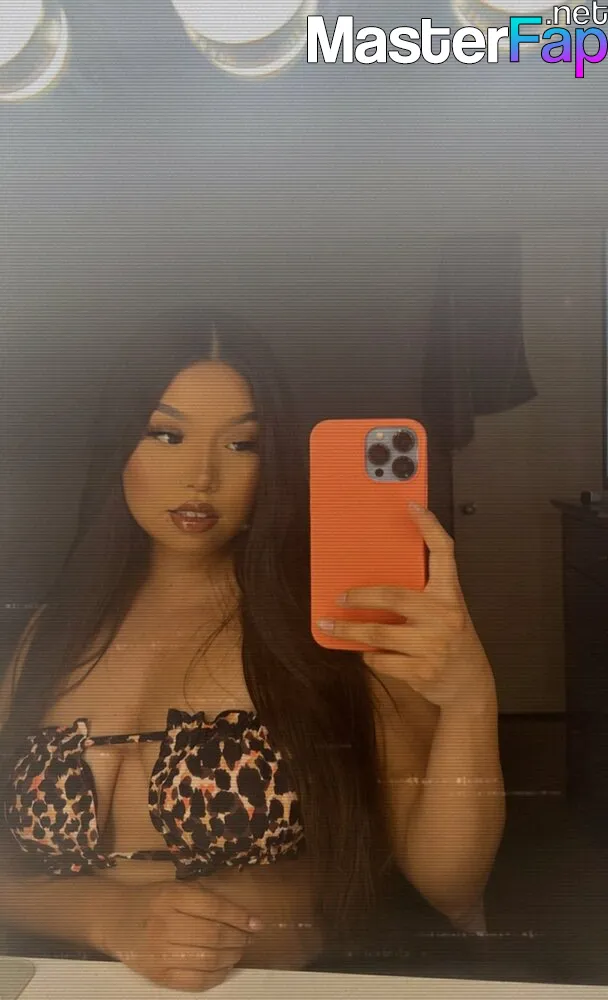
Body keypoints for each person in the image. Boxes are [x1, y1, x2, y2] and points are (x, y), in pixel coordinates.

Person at [0, 305, 505, 994]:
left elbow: (448, 884)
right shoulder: (48, 635)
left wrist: (471, 699)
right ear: (119, 441)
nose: (201, 476)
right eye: (167, 434)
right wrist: (107, 915)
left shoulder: (334, 626)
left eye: (242, 445)